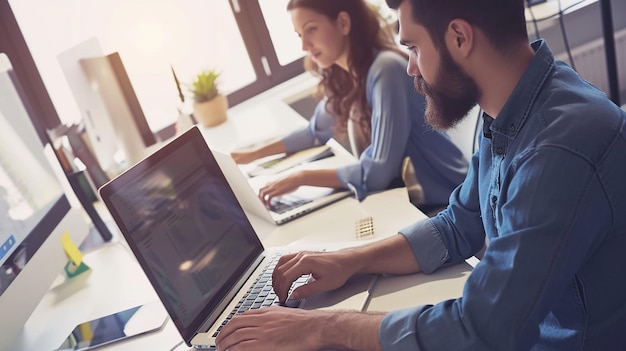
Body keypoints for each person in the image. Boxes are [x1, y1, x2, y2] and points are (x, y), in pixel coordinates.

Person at [215, 0, 626, 349]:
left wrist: (325, 327)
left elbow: (481, 329)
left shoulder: (558, 149)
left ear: (459, 38)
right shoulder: (511, 106)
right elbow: (456, 227)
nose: (410, 67)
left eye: (412, 47)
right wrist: (349, 261)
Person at [231, 0, 468, 214]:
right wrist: (248, 156)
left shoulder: (386, 70)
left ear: (343, 23)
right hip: (411, 203)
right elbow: (314, 132)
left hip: (450, 203)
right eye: (299, 35)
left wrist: (302, 177)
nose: (304, 45)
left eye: (311, 29)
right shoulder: (348, 76)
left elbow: (378, 172)